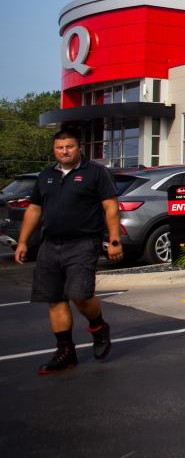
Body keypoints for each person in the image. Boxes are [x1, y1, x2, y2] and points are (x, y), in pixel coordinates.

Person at [15, 127, 123, 375]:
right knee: (55, 299)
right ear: (54, 149)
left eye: (69, 147)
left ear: (79, 148)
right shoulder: (46, 176)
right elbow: (34, 210)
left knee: (81, 295)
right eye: (60, 148)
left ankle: (98, 327)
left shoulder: (96, 173)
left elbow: (110, 207)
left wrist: (114, 239)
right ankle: (65, 352)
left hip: (83, 243)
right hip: (50, 244)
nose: (64, 151)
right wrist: (23, 242)